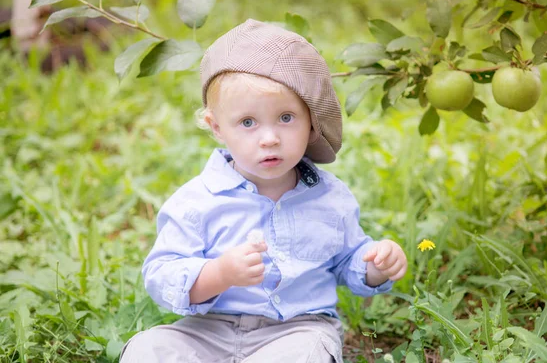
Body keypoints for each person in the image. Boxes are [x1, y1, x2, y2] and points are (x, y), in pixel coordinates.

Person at [120, 19, 408, 363]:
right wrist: (219, 274)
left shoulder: (330, 198)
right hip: (209, 331)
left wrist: (377, 264)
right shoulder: (197, 201)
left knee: (308, 353)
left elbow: (348, 260)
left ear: (312, 121)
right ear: (216, 127)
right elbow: (162, 273)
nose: (269, 137)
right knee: (148, 349)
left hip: (296, 330)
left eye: (286, 118)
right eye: (247, 122)